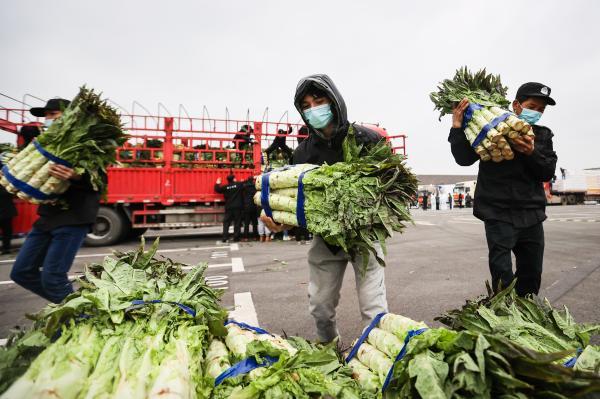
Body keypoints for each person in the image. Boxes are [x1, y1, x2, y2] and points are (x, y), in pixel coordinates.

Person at [261, 74, 388, 342]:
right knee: (319, 307)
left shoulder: (367, 140)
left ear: (334, 101)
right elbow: (300, 206)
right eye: (306, 105)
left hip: (365, 237)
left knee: (374, 309)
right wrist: (280, 221)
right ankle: (329, 350)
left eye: (318, 101)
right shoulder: (302, 154)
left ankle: (378, 357)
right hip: (327, 240)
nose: (313, 109)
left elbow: (388, 191)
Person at [448, 82, 557, 296]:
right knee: (503, 276)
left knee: (531, 274)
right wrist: (457, 126)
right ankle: (503, 319)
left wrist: (531, 152)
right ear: (516, 105)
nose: (536, 113)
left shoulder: (542, 135)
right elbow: (463, 159)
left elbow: (546, 171)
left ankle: (526, 319)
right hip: (498, 214)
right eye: (532, 106)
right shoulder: (491, 128)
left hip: (531, 214)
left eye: (541, 110)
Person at [10, 98, 105, 303]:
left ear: (71, 117)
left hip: (73, 218)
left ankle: (77, 318)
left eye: (53, 114)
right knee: (21, 272)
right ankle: (75, 307)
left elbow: (101, 182)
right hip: (47, 216)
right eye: (46, 115)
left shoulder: (89, 145)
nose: (47, 119)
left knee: (53, 277)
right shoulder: (46, 144)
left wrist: (76, 175)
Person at [215, 174, 244, 242]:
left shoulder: (225, 187)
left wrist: (217, 182)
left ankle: (225, 237)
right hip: (237, 207)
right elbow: (245, 184)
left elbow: (217, 189)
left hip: (229, 207)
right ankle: (236, 237)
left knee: (226, 222)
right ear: (234, 179)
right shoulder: (238, 184)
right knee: (237, 222)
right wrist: (243, 181)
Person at [242, 176, 258, 241]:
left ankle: (246, 237)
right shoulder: (255, 187)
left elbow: (242, 185)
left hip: (247, 206)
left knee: (246, 223)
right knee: (254, 223)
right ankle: (255, 237)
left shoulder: (245, 187)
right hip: (254, 206)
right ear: (253, 180)